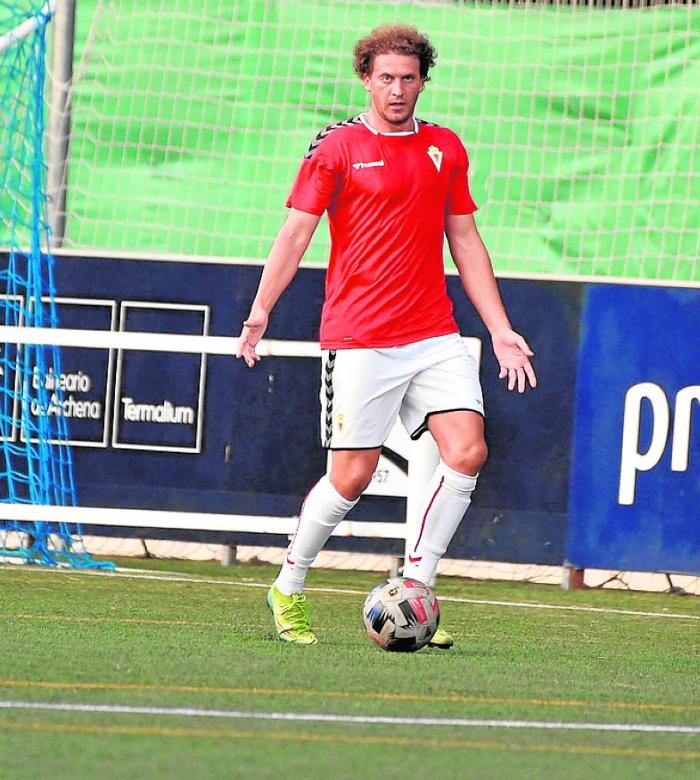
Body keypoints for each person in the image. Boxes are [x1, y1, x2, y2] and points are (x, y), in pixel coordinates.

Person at [236, 24, 537, 648]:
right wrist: (261, 309)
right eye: (385, 78)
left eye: (408, 78)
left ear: (423, 81)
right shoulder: (336, 148)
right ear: (366, 80)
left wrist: (501, 329)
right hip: (360, 338)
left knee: (468, 451)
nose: (397, 90)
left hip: (433, 334)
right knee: (352, 477)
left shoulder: (445, 149)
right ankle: (287, 587)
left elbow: (466, 240)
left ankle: (416, 592)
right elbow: (296, 234)